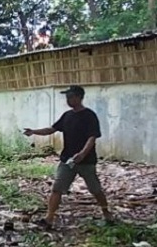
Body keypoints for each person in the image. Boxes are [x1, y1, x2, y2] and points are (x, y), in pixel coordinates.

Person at [22, 85, 114, 230]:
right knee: (57, 188)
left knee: (95, 189)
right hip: (68, 161)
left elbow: (92, 137)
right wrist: (34, 131)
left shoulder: (89, 116)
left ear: (79, 97)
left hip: (86, 161)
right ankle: (49, 219)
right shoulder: (67, 115)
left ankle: (106, 213)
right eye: (67, 97)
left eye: (71, 97)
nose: (68, 100)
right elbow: (51, 129)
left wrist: (83, 154)